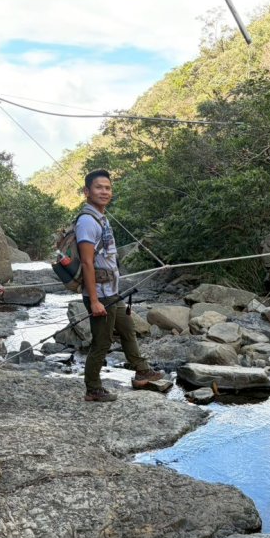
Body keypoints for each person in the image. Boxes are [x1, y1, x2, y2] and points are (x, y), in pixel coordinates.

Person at [76, 168, 163, 402]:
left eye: (108, 188)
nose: (104, 192)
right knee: (102, 342)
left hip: (112, 291)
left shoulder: (101, 218)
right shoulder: (87, 221)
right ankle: (93, 389)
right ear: (87, 191)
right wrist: (94, 301)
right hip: (100, 294)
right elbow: (86, 262)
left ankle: (142, 370)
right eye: (98, 187)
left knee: (127, 328)